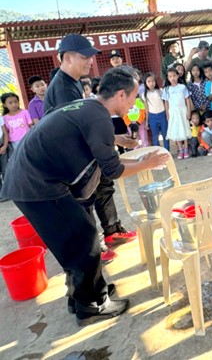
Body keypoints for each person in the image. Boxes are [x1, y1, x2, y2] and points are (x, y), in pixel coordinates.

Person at [0, 68, 170, 326]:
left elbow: (83, 133)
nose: (134, 103)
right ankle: (92, 305)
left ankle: (81, 295)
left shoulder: (88, 106)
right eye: (134, 97)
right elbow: (113, 170)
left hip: (29, 178)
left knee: (76, 238)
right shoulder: (99, 117)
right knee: (85, 239)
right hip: (38, 185)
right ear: (121, 94)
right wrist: (148, 162)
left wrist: (116, 140)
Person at [44, 34, 136, 253]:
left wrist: (116, 138)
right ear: (66, 58)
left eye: (91, 56)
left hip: (81, 147)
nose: (90, 61)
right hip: (70, 156)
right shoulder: (63, 88)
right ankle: (94, 248)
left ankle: (112, 231)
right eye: (84, 56)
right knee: (85, 197)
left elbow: (85, 125)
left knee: (103, 185)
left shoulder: (72, 81)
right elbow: (79, 128)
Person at [163, 67, 192, 160]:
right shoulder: (167, 89)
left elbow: (187, 99)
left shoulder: (182, 87)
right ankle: (180, 149)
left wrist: (188, 111)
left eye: (174, 76)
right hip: (173, 112)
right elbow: (166, 102)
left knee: (184, 128)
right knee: (177, 130)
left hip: (182, 111)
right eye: (170, 76)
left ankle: (186, 148)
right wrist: (167, 113)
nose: (172, 78)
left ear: (178, 76)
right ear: (168, 78)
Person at [143, 72, 169, 150]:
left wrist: (167, 114)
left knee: (165, 135)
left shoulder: (160, 91)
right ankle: (158, 153)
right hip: (152, 117)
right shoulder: (144, 94)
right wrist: (147, 121)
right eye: (149, 81)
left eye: (153, 81)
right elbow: (146, 109)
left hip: (162, 115)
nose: (151, 83)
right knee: (155, 136)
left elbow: (165, 103)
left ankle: (167, 151)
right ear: (145, 83)